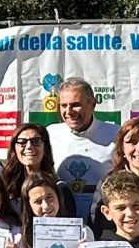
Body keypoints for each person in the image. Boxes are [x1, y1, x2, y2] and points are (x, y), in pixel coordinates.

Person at [45, 77, 122, 214]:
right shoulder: (50, 134)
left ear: (92, 105)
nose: (69, 112)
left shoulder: (115, 134)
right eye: (63, 105)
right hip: (61, 222)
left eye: (75, 105)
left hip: (103, 221)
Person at [0, 121, 55, 224]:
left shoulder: (58, 187)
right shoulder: (4, 187)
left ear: (45, 147)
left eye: (36, 141)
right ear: (14, 148)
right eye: (22, 142)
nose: (29, 146)